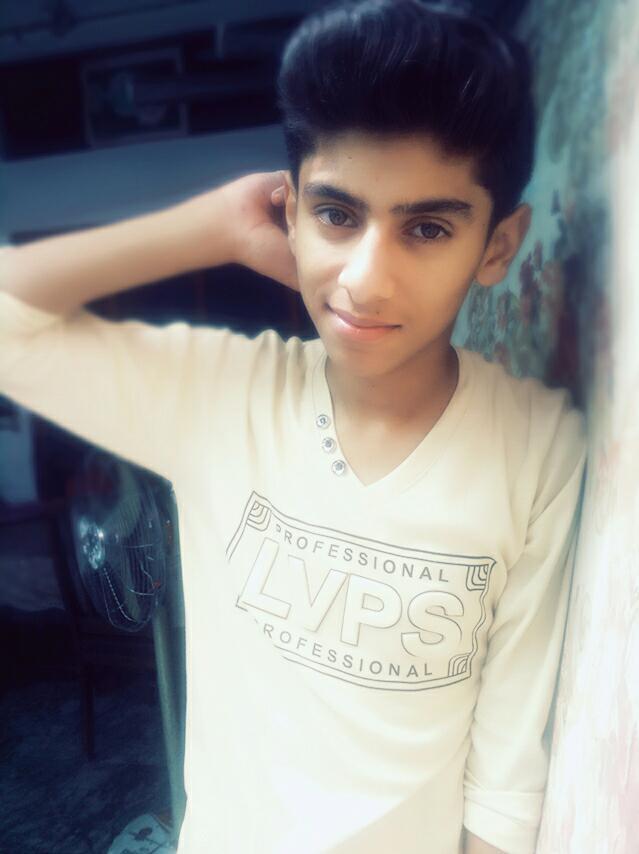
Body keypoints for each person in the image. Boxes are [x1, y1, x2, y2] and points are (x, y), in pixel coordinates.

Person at [0, 1, 586, 852]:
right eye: (337, 215)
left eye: (426, 228)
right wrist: (209, 226)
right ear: (292, 213)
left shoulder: (537, 449)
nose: (364, 280)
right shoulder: (217, 393)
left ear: (496, 246)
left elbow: (503, 786)